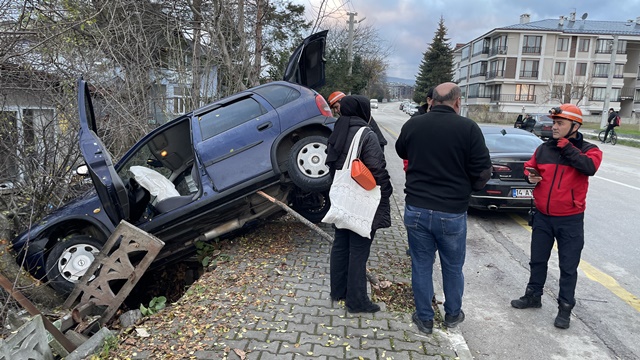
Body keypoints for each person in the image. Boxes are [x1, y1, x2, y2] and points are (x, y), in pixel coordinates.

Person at [395, 82, 492, 334]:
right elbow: (483, 170)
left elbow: (400, 150)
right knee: (452, 266)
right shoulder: (468, 128)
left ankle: (425, 318)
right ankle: (451, 315)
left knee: (421, 265)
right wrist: (468, 190)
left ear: (431, 101)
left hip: (417, 208)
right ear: (457, 102)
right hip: (451, 210)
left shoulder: (414, 124)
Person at [511, 103, 602, 329]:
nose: (554, 127)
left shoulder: (589, 149)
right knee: (537, 260)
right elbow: (529, 167)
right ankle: (533, 296)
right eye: (554, 122)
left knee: (568, 267)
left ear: (575, 126)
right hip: (543, 216)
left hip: (570, 219)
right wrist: (529, 177)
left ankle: (565, 308)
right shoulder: (544, 149)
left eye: (560, 123)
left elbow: (589, 167)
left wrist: (566, 147)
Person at [325, 95, 393, 313]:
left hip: (342, 197)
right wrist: (386, 191)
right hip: (361, 201)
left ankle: (338, 291)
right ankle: (356, 301)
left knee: (341, 244)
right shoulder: (366, 134)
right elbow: (376, 168)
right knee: (358, 249)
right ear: (363, 111)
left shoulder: (338, 129)